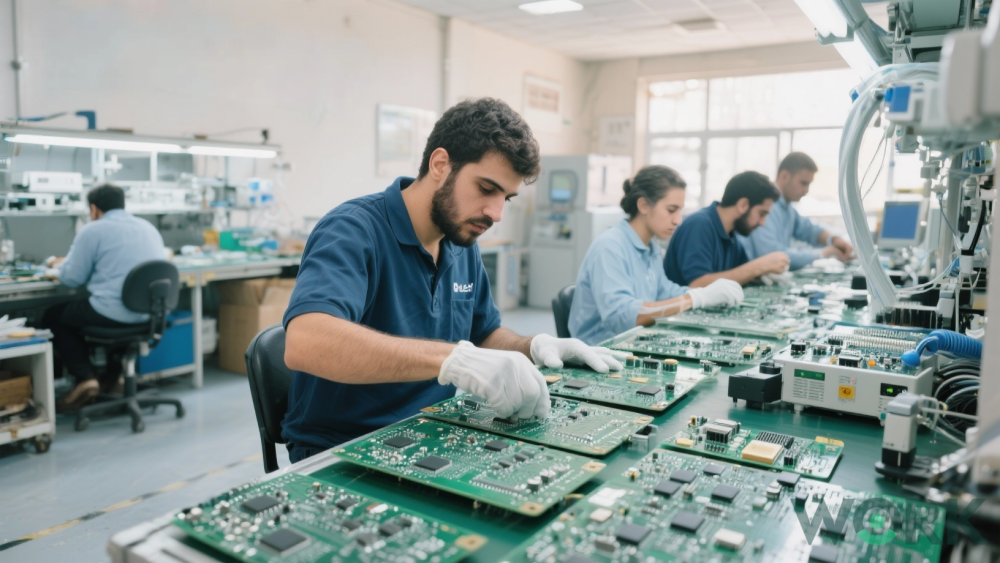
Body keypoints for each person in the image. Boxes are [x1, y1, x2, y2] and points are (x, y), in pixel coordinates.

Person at [281, 98, 624, 463]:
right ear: (441, 164)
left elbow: (484, 333)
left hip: (436, 430)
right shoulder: (353, 230)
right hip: (345, 447)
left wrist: (535, 346)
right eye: (486, 188)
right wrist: (453, 360)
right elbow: (306, 342)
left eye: (506, 197)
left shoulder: (460, 241)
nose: (496, 213)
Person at [568, 166, 744, 345]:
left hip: (635, 346)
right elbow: (622, 318)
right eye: (671, 210)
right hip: (599, 353)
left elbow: (665, 293)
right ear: (644, 205)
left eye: (680, 210)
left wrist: (707, 294)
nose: (678, 220)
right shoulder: (610, 247)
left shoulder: (651, 248)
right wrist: (695, 299)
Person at [42, 184, 168, 410]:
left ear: (93, 209)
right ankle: (111, 379)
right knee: (95, 312)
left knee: (54, 316)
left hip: (111, 314)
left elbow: (72, 279)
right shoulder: (148, 228)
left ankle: (86, 378)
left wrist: (55, 268)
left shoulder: (93, 230)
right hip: (149, 316)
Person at [663, 171, 790, 287]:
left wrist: (763, 273)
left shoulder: (732, 235)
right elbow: (697, 284)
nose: (763, 223)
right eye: (762, 214)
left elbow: (741, 275)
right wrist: (759, 266)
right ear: (743, 205)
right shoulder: (699, 225)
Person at [741, 152, 854, 269]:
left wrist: (833, 239)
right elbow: (772, 255)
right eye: (803, 183)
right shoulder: (766, 207)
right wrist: (822, 254)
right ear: (784, 176)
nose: (806, 190)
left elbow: (809, 230)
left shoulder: (787, 208)